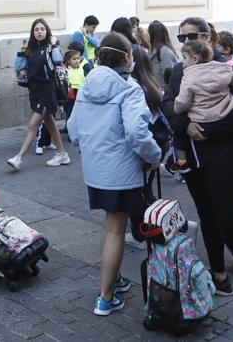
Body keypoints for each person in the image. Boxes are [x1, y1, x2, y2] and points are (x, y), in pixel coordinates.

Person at [160, 17, 233, 318]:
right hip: (195, 157)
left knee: (227, 220)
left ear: (208, 37)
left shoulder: (226, 68)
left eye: (192, 36)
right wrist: (186, 124)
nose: (185, 43)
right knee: (207, 216)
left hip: (225, 153)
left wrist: (207, 130)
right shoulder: (181, 69)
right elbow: (169, 104)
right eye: (181, 37)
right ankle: (219, 275)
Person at [65, 35, 162, 316]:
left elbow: (73, 128)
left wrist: (91, 152)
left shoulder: (86, 84)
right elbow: (137, 133)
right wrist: (154, 157)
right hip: (122, 172)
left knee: (111, 227)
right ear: (128, 57)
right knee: (115, 231)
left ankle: (114, 279)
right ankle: (105, 297)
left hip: (96, 171)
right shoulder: (129, 89)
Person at [171, 40, 233, 172]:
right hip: (225, 113)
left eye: (184, 57)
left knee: (178, 133)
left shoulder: (188, 77)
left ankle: (182, 162)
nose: (182, 61)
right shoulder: (222, 68)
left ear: (195, 58)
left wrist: (177, 108)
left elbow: (182, 102)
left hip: (200, 120)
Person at [7, 18, 71, 170]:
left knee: (33, 124)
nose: (39, 32)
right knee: (50, 123)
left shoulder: (50, 47)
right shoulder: (31, 49)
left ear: (47, 31)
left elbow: (57, 60)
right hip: (34, 91)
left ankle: (19, 157)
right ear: (33, 33)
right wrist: (22, 50)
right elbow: (19, 67)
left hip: (47, 90)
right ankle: (62, 153)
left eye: (42, 29)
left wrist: (54, 44)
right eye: (36, 30)